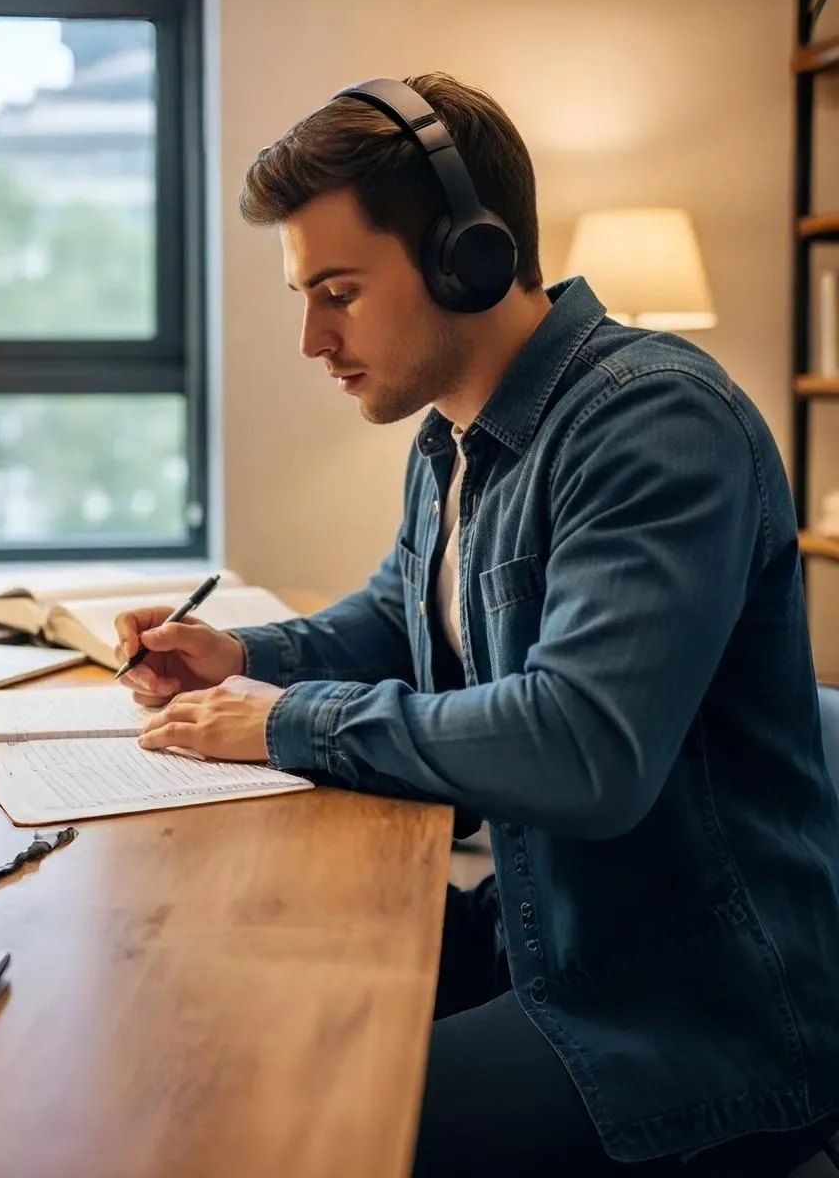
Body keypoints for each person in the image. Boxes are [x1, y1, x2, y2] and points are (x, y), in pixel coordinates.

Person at [113, 72, 839, 1175]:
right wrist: (241, 657)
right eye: (305, 294)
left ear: (471, 255)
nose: (313, 337)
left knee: (291, 1134)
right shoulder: (454, 438)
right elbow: (399, 612)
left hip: (695, 1013)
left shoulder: (653, 424)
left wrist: (283, 720)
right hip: (551, 932)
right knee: (214, 1009)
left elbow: (582, 746)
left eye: (340, 291)